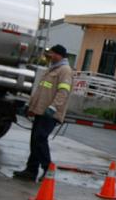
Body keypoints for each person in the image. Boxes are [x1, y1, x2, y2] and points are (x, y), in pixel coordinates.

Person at [13, 44, 73, 182]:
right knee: (35, 140)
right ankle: (31, 170)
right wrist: (30, 106)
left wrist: (53, 108)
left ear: (59, 55)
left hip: (50, 113)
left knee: (40, 138)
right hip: (41, 111)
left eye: (52, 53)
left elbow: (63, 92)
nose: (49, 56)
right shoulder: (52, 69)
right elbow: (40, 91)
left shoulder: (65, 71)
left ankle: (48, 170)